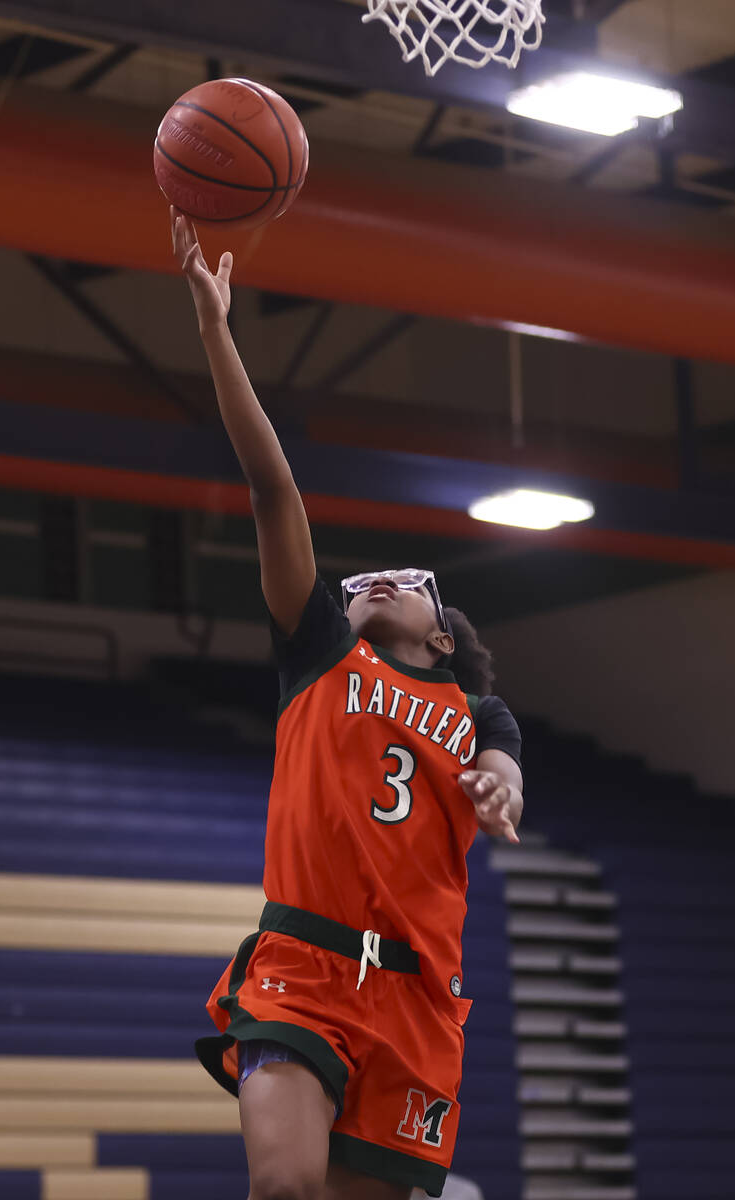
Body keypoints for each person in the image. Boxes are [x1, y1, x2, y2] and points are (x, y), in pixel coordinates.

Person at [172, 208, 524, 1200]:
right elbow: (273, 491)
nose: (372, 582)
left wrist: (497, 785)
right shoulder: (319, 655)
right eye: (358, 576)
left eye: (400, 579)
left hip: (416, 996)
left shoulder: (470, 709)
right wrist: (215, 331)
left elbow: (500, 764)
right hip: (302, 967)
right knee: (283, 1185)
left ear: (443, 631)